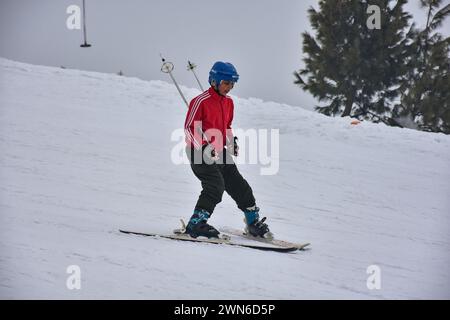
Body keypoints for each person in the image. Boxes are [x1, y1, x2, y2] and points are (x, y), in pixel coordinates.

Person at [183, 61, 270, 239]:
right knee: (215, 186)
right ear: (214, 81)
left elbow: (226, 126)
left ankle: (252, 222)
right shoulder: (200, 101)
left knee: (240, 186)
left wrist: (231, 141)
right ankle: (196, 223)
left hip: (219, 151)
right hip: (199, 152)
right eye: (226, 83)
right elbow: (189, 129)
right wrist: (205, 147)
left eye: (232, 84)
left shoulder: (228, 103)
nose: (229, 87)